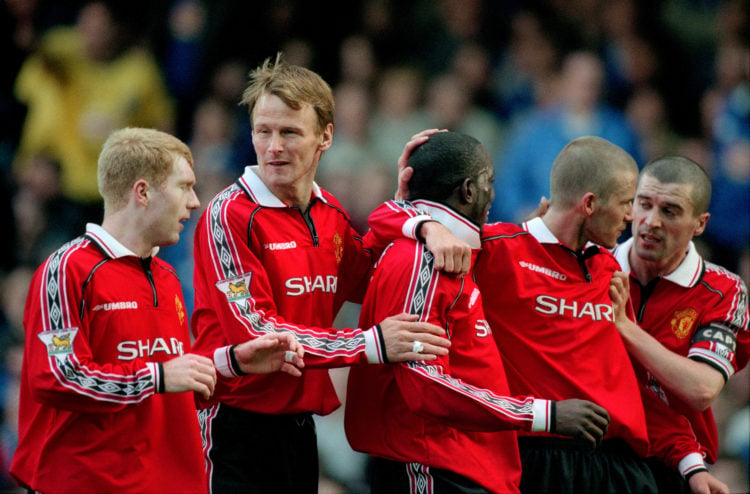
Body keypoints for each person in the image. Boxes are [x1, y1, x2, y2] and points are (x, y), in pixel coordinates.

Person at [190, 54, 468, 493]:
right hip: (233, 426)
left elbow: (374, 278)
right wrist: (373, 344)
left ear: (326, 136)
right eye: (263, 131)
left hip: (299, 428)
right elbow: (259, 334)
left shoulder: (330, 213)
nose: (273, 147)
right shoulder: (228, 215)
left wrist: (416, 213)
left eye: (289, 133)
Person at [9, 127, 304, 493]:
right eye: (184, 186)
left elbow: (171, 379)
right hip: (84, 483)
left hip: (164, 481)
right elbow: (59, 377)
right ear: (143, 192)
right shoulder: (67, 269)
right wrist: (159, 376)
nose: (195, 202)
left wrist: (232, 363)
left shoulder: (165, 276)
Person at [345, 131, 611, 493]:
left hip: (467, 467)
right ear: (469, 190)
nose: (494, 195)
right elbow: (426, 387)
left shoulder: (451, 251)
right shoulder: (425, 258)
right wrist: (545, 414)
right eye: (490, 182)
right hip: (431, 466)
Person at [609, 155, 748, 494]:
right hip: (595, 454)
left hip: (676, 470)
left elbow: (701, 389)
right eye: (643, 204)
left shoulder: (722, 289)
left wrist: (625, 328)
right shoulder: (593, 267)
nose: (650, 221)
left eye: (670, 211)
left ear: (699, 224)